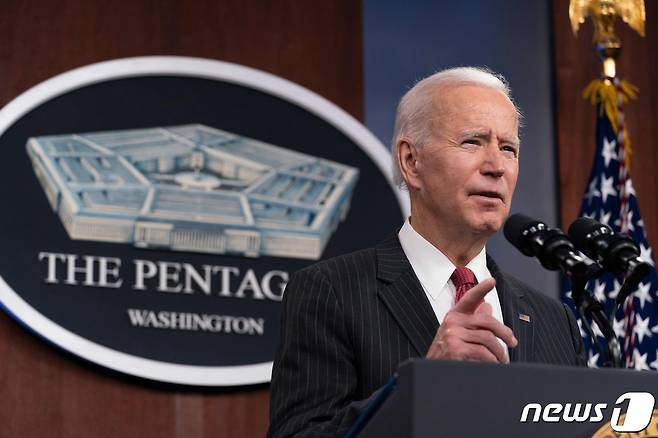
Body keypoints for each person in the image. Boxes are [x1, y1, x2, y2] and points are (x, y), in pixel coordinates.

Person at [267, 67, 586, 437]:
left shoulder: (554, 321)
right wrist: (422, 384)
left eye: (508, 148)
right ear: (411, 162)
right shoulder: (331, 292)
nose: (497, 166)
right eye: (472, 142)